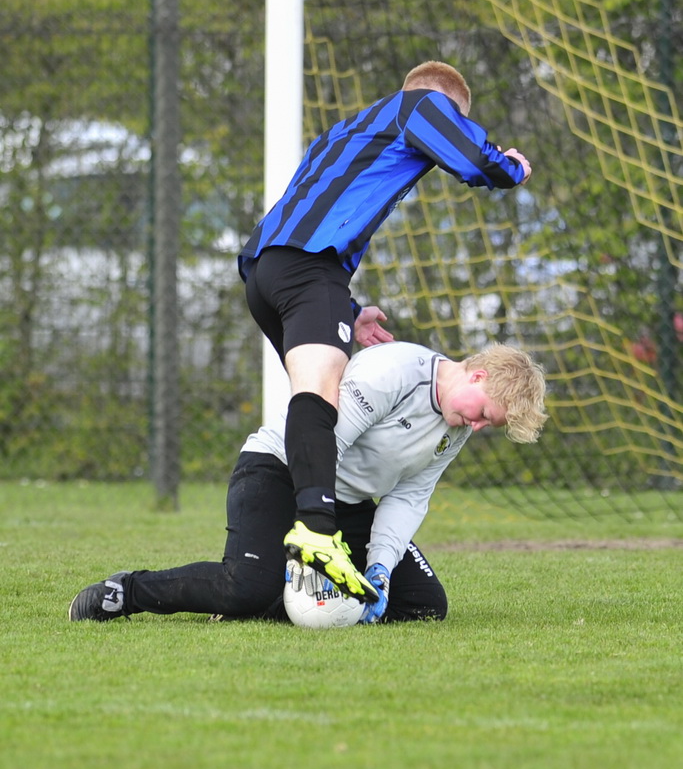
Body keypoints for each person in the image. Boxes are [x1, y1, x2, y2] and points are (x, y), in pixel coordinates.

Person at [237, 60, 533, 604]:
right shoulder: (422, 105)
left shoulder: (345, 131)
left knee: (318, 401)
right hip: (310, 267)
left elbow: (311, 208)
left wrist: (347, 308)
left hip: (266, 271)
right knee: (319, 397)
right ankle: (315, 530)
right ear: (444, 102)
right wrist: (508, 167)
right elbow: (470, 159)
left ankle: (265, 561)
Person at [68, 340, 546, 626]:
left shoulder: (455, 425)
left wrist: (378, 568)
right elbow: (321, 446)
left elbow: (410, 495)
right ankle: (125, 592)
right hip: (279, 471)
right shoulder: (395, 371)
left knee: (423, 605)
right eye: (485, 414)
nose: (478, 427)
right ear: (477, 374)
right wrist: (311, 528)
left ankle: (282, 602)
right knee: (243, 589)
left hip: (346, 502)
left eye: (491, 425)